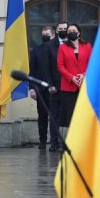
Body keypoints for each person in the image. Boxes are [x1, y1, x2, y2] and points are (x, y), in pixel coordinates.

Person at [56, 23, 92, 127]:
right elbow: (60, 66)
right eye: (69, 31)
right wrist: (71, 77)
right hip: (68, 88)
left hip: (84, 86)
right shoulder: (63, 47)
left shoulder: (87, 46)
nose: (71, 32)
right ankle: (70, 142)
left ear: (79, 33)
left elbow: (93, 64)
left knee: (84, 117)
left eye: (73, 31)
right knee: (70, 118)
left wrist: (83, 75)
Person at [28, 26, 55, 149]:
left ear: (53, 35)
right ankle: (42, 141)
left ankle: (55, 142)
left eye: (47, 34)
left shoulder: (58, 49)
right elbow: (32, 71)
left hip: (55, 89)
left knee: (55, 117)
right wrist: (31, 88)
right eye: (43, 34)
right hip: (40, 89)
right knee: (42, 116)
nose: (45, 36)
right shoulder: (36, 50)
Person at [45, 21, 68, 151]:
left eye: (66, 28)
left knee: (69, 115)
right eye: (61, 29)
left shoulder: (73, 44)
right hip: (55, 87)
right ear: (56, 30)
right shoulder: (49, 46)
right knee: (54, 116)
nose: (64, 30)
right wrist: (50, 84)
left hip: (70, 86)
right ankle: (54, 142)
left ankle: (68, 142)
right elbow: (46, 67)